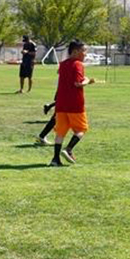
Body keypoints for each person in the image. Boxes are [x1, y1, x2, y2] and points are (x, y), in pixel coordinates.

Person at [49, 39, 96, 167]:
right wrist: (87, 81)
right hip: (75, 104)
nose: (85, 54)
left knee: (60, 132)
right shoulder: (78, 64)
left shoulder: (63, 64)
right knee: (81, 129)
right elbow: (77, 83)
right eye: (83, 51)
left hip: (61, 104)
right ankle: (68, 149)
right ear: (75, 52)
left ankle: (55, 159)